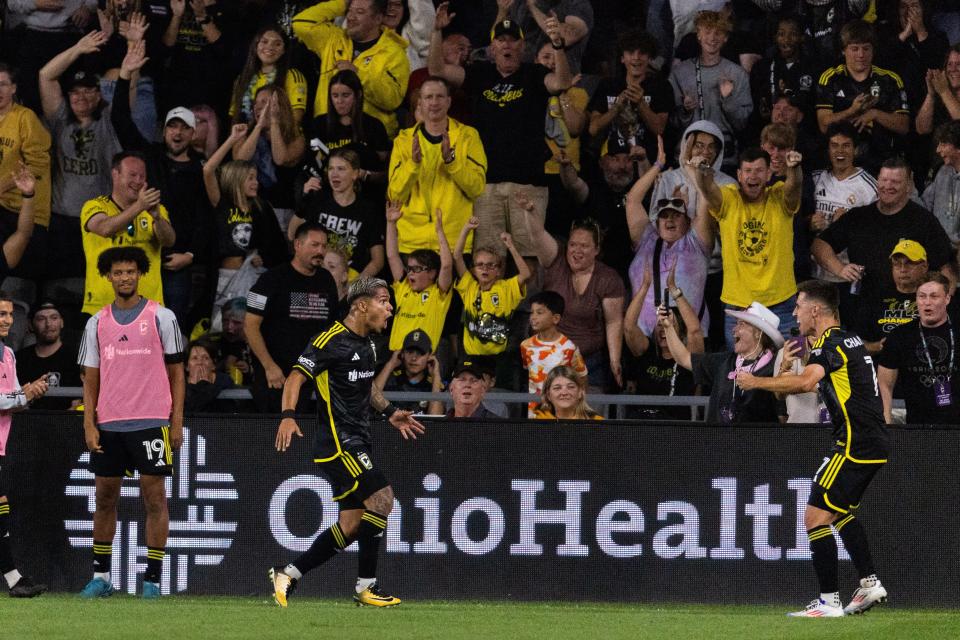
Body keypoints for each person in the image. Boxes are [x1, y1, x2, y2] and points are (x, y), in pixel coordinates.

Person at [735, 279, 889, 618]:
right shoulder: (848, 341)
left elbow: (806, 382)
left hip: (853, 442)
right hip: (872, 440)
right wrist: (785, 373)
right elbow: (801, 386)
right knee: (839, 512)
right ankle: (869, 583)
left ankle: (829, 601)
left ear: (815, 310)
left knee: (813, 516)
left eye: (798, 306)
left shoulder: (829, 345)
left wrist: (755, 381)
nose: (794, 313)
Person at [270, 277, 425, 608]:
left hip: (359, 440)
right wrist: (287, 415)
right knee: (383, 500)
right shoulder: (329, 340)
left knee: (352, 524)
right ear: (361, 304)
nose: (390, 309)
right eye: (384, 301)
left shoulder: (367, 344)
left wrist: (391, 412)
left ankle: (288, 573)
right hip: (339, 442)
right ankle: (366, 586)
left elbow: (366, 387)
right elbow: (296, 377)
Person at [77, 246, 185, 599]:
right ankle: (102, 578)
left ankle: (152, 581)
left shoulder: (161, 317)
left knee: (155, 499)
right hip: (109, 422)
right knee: (105, 498)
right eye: (118, 272)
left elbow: (177, 372)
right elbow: (90, 378)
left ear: (141, 274)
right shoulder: (96, 322)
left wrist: (177, 419)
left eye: (130, 271)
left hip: (152, 420)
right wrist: (89, 423)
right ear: (108, 277)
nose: (124, 277)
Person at [428, 4, 572, 265]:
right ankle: (491, 308)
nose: (507, 45)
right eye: (501, 40)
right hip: (486, 185)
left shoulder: (535, 74)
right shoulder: (479, 74)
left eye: (513, 40)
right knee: (488, 259)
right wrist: (437, 31)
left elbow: (561, 83)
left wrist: (558, 47)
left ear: (522, 47)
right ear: (492, 48)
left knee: (528, 257)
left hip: (528, 184)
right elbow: (437, 70)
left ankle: (531, 308)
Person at [113, 41, 209, 326]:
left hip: (176, 264)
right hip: (142, 260)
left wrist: (190, 256)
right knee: (133, 325)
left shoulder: (200, 170)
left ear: (193, 134)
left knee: (171, 331)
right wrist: (124, 75)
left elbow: (206, 219)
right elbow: (120, 120)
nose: (177, 133)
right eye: (172, 126)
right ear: (164, 130)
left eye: (184, 128)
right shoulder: (148, 156)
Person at [38, 32, 123, 316]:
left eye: (89, 91)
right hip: (62, 221)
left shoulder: (109, 119)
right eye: (75, 91)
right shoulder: (59, 117)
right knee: (57, 295)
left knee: (93, 296)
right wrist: (77, 48)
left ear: (99, 95)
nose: (81, 97)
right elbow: (46, 75)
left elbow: (120, 76)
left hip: (99, 221)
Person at [692, 147, 803, 347]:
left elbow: (794, 187)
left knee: (787, 370)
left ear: (769, 173)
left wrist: (794, 169)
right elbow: (708, 189)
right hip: (739, 307)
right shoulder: (729, 198)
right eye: (748, 171)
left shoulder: (778, 196)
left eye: (759, 170)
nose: (753, 176)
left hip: (782, 304)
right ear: (739, 175)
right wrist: (701, 171)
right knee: (741, 372)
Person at [812, 157, 956, 302]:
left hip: (906, 312)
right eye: (884, 180)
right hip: (863, 309)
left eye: (895, 182)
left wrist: (943, 307)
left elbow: (946, 268)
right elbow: (819, 245)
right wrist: (840, 269)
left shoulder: (924, 221)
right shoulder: (858, 217)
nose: (888, 186)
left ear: (908, 185)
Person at [523, 208, 625, 390]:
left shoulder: (608, 278)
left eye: (584, 246)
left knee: (586, 416)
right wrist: (530, 211)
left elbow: (614, 322)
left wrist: (614, 360)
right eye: (573, 245)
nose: (577, 251)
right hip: (548, 357)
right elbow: (537, 234)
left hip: (589, 361)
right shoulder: (556, 261)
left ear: (596, 250)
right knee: (544, 414)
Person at [387, 75, 486, 255]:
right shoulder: (403, 140)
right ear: (421, 103)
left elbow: (477, 188)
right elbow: (395, 195)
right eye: (428, 97)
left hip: (455, 241)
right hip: (412, 242)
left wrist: (451, 162)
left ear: (449, 102)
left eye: (439, 97)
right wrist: (413, 164)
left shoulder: (468, 136)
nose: (434, 102)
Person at [245, 222, 337, 414]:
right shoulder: (270, 280)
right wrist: (269, 366)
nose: (320, 251)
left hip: (313, 379)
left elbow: (332, 329)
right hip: (277, 379)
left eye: (323, 246)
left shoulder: (327, 280)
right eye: (314, 245)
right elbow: (250, 326)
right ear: (297, 245)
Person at [203, 124, 289, 328]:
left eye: (256, 178)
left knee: (252, 323)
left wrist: (265, 257)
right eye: (250, 178)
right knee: (221, 326)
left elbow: (276, 244)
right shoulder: (222, 203)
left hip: (254, 277)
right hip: (225, 278)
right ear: (236, 179)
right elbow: (208, 169)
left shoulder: (261, 207)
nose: (256, 183)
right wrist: (232, 139)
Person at [626, 137, 712, 339]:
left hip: (687, 336)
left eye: (676, 215)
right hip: (646, 338)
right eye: (663, 215)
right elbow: (632, 200)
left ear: (688, 221)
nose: (669, 220)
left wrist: (689, 170)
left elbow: (706, 201)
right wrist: (658, 165)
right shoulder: (646, 238)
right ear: (656, 221)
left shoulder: (697, 242)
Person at [293, 0, 411, 137]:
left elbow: (392, 100)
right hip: (328, 133)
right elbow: (300, 22)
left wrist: (358, 74)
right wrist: (343, 3)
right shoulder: (333, 38)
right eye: (349, 11)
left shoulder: (394, 53)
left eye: (359, 12)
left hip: (370, 138)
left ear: (378, 18)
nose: (350, 17)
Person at [80, 151, 176, 316]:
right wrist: (139, 206)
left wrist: (157, 218)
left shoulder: (155, 210)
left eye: (142, 176)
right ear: (115, 174)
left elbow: (169, 241)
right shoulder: (94, 206)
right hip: (102, 309)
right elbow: (104, 228)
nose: (138, 181)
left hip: (149, 309)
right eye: (132, 175)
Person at [0, 292, 50, 598]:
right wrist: (23, 396)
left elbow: (14, 400)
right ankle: (14, 579)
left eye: (9, 315)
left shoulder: (8, 355)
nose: (6, 320)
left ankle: (14, 579)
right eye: (1, 314)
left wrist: (30, 391)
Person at [815, 20, 909, 173]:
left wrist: (874, 114)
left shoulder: (890, 79)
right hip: (842, 165)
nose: (861, 55)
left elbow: (904, 125)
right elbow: (823, 124)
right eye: (855, 49)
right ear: (844, 50)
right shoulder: (830, 78)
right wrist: (852, 110)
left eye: (866, 48)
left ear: (873, 50)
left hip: (883, 163)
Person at [664, 301, 781, 424]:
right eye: (736, 323)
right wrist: (668, 327)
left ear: (758, 333)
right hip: (718, 441)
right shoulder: (723, 361)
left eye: (741, 324)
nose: (734, 330)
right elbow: (684, 358)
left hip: (756, 442)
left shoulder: (775, 368)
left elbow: (782, 417)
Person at [669, 11, 752, 172]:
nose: (712, 38)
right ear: (698, 35)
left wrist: (728, 100)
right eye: (707, 32)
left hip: (724, 159)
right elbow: (671, 122)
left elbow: (742, 123)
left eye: (718, 33)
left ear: (725, 37)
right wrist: (685, 111)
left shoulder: (737, 74)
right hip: (688, 158)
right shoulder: (680, 73)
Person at [877, 272, 959, 425]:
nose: (927, 302)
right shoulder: (900, 335)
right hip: (917, 428)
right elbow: (884, 384)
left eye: (934, 296)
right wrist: (886, 425)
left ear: (947, 299)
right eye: (922, 296)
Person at [623, 262, 701, 421]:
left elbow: (695, 331)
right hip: (641, 422)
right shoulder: (646, 351)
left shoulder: (687, 358)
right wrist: (645, 287)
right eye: (660, 325)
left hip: (674, 427)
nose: (663, 328)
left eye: (670, 325)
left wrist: (674, 290)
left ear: (680, 332)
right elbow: (629, 327)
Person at [290, 149, 384, 278]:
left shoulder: (368, 209)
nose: (334, 174)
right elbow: (291, 235)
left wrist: (354, 286)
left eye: (341, 169)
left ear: (355, 174)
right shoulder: (319, 200)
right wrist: (303, 202)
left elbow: (378, 260)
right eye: (331, 169)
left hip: (349, 278)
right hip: (316, 275)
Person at [586, 29, 671, 166]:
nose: (636, 57)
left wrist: (641, 104)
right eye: (631, 52)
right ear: (622, 58)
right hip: (610, 163)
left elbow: (659, 129)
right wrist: (617, 107)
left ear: (649, 58)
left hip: (647, 163)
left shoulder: (661, 87)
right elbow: (593, 128)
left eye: (642, 53)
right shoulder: (608, 85)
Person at [453, 221, 530, 358]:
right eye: (480, 265)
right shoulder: (469, 287)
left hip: (498, 357)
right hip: (471, 356)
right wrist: (465, 229)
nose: (485, 269)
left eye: (491, 265)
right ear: (473, 270)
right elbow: (457, 256)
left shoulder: (506, 288)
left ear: (499, 271)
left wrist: (511, 246)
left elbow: (525, 274)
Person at [305, 70, 391, 189]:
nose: (340, 101)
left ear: (358, 95)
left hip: (366, 192)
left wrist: (363, 175)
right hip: (328, 191)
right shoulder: (319, 124)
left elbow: (385, 173)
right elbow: (314, 163)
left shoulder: (374, 125)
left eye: (346, 95)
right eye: (335, 96)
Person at [385, 203, 452, 353]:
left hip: (423, 358)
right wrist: (390, 223)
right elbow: (392, 256)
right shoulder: (403, 287)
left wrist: (439, 231)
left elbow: (447, 265)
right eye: (409, 269)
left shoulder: (438, 294)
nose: (410, 273)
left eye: (416, 269)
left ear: (432, 273)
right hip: (396, 358)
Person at [520, 290, 587, 418]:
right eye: (532, 312)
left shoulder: (569, 348)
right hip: (535, 411)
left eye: (539, 313)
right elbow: (528, 371)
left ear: (555, 318)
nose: (533, 317)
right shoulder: (525, 346)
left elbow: (582, 378)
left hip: (562, 410)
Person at [856, 240, 929, 353]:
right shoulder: (875, 299)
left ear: (924, 267)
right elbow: (854, 344)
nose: (903, 269)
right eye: (897, 264)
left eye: (909, 263)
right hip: (882, 364)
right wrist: (877, 346)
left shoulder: (935, 298)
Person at [228, 25, 308, 125]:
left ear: (284, 50)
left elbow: (296, 117)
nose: (270, 47)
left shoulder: (292, 76)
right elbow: (234, 117)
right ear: (256, 45)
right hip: (247, 136)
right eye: (264, 42)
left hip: (279, 136)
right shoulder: (242, 79)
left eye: (277, 44)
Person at [15, 301, 82, 410]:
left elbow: (79, 403)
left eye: (54, 318)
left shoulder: (77, 358)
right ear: (31, 325)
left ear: (62, 322)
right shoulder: (18, 359)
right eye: (41, 319)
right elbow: (9, 398)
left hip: (66, 423)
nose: (48, 324)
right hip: (25, 422)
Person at [373, 329, 444, 415]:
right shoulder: (389, 380)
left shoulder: (433, 386)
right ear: (401, 354)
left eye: (420, 353)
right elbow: (370, 401)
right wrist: (390, 364)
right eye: (410, 352)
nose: (414, 358)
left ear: (429, 356)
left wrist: (436, 376)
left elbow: (436, 419)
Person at [922, 120, 960, 250]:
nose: (938, 150)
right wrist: (909, 191)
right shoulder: (942, 172)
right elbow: (924, 209)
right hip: (938, 249)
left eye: (943, 144)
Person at [531, 365, 602, 420]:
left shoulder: (597, 424)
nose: (564, 393)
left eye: (571, 387)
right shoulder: (535, 424)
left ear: (580, 392)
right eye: (557, 388)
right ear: (548, 395)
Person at [184, 339, 234, 413]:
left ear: (213, 365)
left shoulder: (224, 380)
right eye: (195, 358)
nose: (200, 362)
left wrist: (204, 385)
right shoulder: (180, 383)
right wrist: (192, 387)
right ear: (187, 366)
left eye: (205, 358)